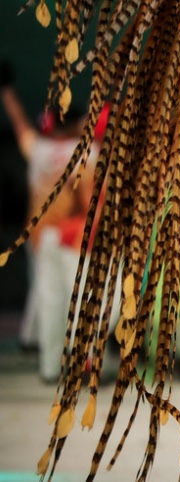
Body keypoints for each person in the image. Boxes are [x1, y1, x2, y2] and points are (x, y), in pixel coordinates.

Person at [0, 60, 94, 382]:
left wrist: (7, 92)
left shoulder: (38, 150)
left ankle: (50, 368)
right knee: (80, 302)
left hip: (40, 240)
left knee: (51, 304)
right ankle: (85, 362)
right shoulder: (85, 154)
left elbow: (19, 125)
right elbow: (90, 200)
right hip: (72, 239)